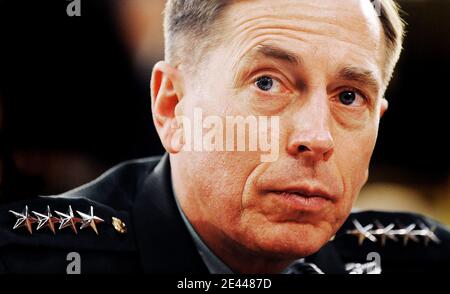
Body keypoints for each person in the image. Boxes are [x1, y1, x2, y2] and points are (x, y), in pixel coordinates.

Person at [0, 0, 448, 274]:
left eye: (349, 96)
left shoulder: (420, 259)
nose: (317, 136)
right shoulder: (30, 258)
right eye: (267, 83)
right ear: (172, 106)